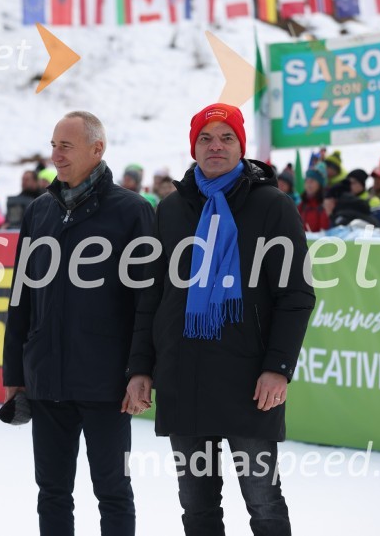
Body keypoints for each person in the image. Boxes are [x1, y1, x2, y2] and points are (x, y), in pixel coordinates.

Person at [125, 103, 315, 536]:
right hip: (182, 378)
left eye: (226, 137)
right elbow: (152, 297)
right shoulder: (170, 210)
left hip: (248, 382)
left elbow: (296, 295)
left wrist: (277, 368)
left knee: (264, 504)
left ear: (241, 146)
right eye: (205, 138)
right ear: (193, 148)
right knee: (197, 509)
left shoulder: (272, 205)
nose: (216, 146)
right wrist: (140, 368)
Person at [3, 111, 154, 536]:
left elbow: (147, 300)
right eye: (53, 145)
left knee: (113, 490)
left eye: (65, 146)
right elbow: (21, 296)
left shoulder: (132, 212)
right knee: (51, 491)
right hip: (46, 378)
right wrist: (16, 371)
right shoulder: (39, 212)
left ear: (97, 149)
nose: (55, 155)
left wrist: (140, 370)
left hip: (107, 383)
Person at [298, 167, 329, 231]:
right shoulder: (302, 205)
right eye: (306, 181)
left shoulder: (325, 204)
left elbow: (325, 229)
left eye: (312, 181)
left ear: (319, 185)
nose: (308, 185)